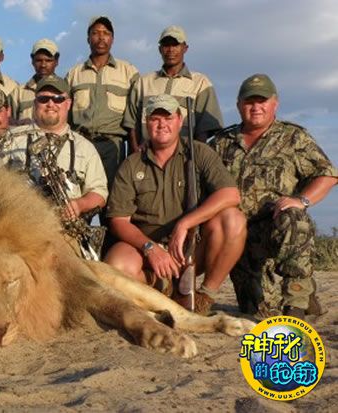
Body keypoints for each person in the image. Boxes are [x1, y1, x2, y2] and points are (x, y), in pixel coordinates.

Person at [210, 74, 338, 319]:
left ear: (275, 104)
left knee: (294, 218)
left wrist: (302, 201)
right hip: (239, 236)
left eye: (262, 101)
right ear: (238, 105)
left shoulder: (294, 138)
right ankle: (307, 294)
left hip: (276, 227)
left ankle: (296, 304)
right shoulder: (221, 142)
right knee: (258, 310)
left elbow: (328, 174)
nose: (256, 107)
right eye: (249, 101)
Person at [105, 94, 246, 315]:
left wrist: (184, 225)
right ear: (146, 123)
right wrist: (150, 248)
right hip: (147, 251)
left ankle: (205, 296)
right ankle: (160, 286)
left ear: (180, 121)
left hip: (192, 248)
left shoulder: (199, 152)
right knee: (117, 266)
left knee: (233, 220)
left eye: (168, 118)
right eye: (155, 119)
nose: (162, 124)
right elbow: (118, 221)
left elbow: (230, 195)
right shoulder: (131, 165)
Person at [0, 74, 108, 221]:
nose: (50, 104)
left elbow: (100, 192)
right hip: (16, 225)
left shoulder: (85, 147)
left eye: (58, 99)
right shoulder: (10, 140)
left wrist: (78, 205)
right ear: (35, 103)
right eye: (44, 99)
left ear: (68, 104)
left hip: (65, 229)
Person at [65, 16, 139, 188]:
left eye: (106, 33)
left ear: (112, 39)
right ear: (88, 39)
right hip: (80, 144)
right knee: (78, 193)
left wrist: (135, 149)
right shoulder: (74, 74)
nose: (101, 37)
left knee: (112, 195)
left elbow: (136, 114)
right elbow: (64, 114)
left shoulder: (128, 72)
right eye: (95, 33)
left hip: (113, 146)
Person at [123, 25, 223, 149]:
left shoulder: (200, 83)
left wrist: (195, 155)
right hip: (148, 155)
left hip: (184, 155)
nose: (170, 50)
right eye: (166, 45)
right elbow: (131, 124)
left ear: (185, 48)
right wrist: (136, 153)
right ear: (160, 49)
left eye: (175, 45)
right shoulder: (143, 83)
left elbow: (204, 129)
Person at [9, 38, 60, 123]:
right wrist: (19, 124)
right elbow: (7, 120)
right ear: (32, 61)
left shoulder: (64, 90)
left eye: (48, 60)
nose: (43, 65)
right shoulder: (18, 93)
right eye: (39, 60)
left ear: (56, 61)